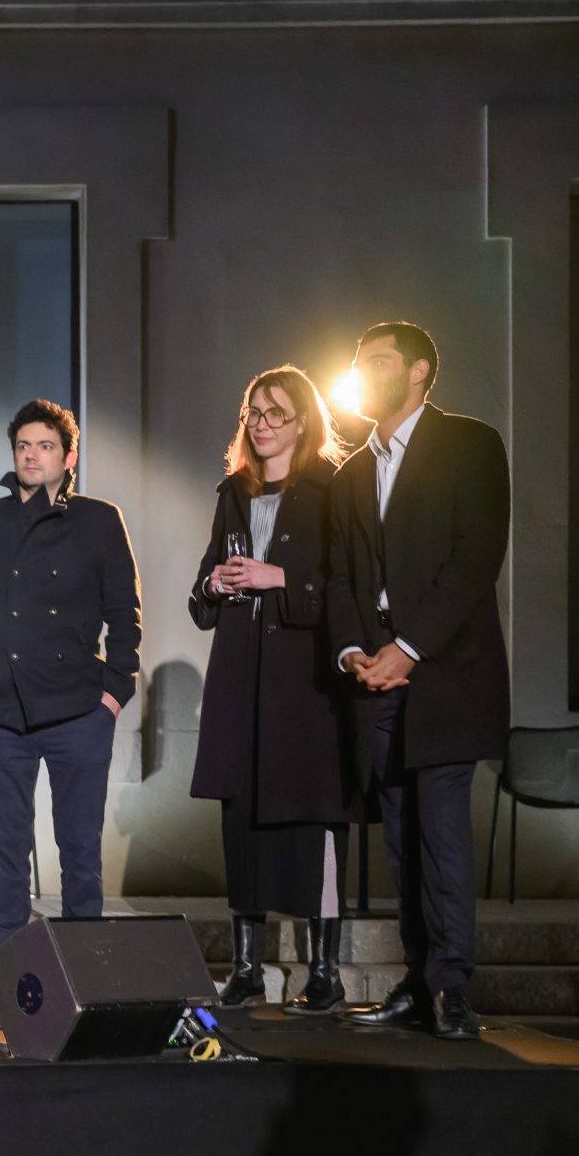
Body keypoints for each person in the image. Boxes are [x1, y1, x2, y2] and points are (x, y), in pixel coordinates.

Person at [328, 322, 510, 1042]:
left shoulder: (470, 443)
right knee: (400, 837)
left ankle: (453, 985)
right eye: (358, 361)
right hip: (376, 681)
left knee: (440, 832)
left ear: (418, 371)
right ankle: (416, 976)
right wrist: (354, 655)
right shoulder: (349, 474)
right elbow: (343, 575)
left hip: (445, 677)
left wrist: (407, 647)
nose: (364, 373)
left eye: (378, 362)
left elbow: (475, 559)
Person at [0, 399, 141, 1003]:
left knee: (80, 846)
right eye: (23, 446)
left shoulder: (100, 520)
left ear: (69, 456)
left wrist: (115, 689)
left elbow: (123, 615)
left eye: (45, 446)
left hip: (80, 708)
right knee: (5, 848)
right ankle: (5, 972)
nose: (32, 455)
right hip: (0, 710)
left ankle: (85, 972)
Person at [188, 366, 358, 1011]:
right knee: (243, 822)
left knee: (315, 822)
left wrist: (278, 575)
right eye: (253, 413)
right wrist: (218, 583)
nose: (260, 424)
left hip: (305, 689)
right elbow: (203, 583)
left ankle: (324, 970)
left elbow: (342, 584)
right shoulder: (234, 490)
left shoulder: (331, 489)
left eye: (275, 413)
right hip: (240, 681)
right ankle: (248, 968)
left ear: (303, 421)